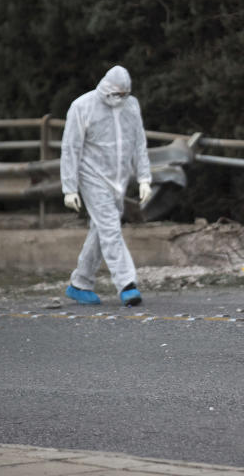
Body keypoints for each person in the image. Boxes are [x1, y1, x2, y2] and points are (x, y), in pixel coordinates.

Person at [61, 66, 152, 307]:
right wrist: (69, 187)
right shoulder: (82, 106)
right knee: (110, 227)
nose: (120, 99)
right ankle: (127, 284)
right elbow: (71, 148)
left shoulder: (131, 106)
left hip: (119, 179)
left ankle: (80, 283)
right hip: (92, 176)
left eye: (125, 94)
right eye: (116, 94)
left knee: (101, 230)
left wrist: (144, 178)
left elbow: (139, 143)